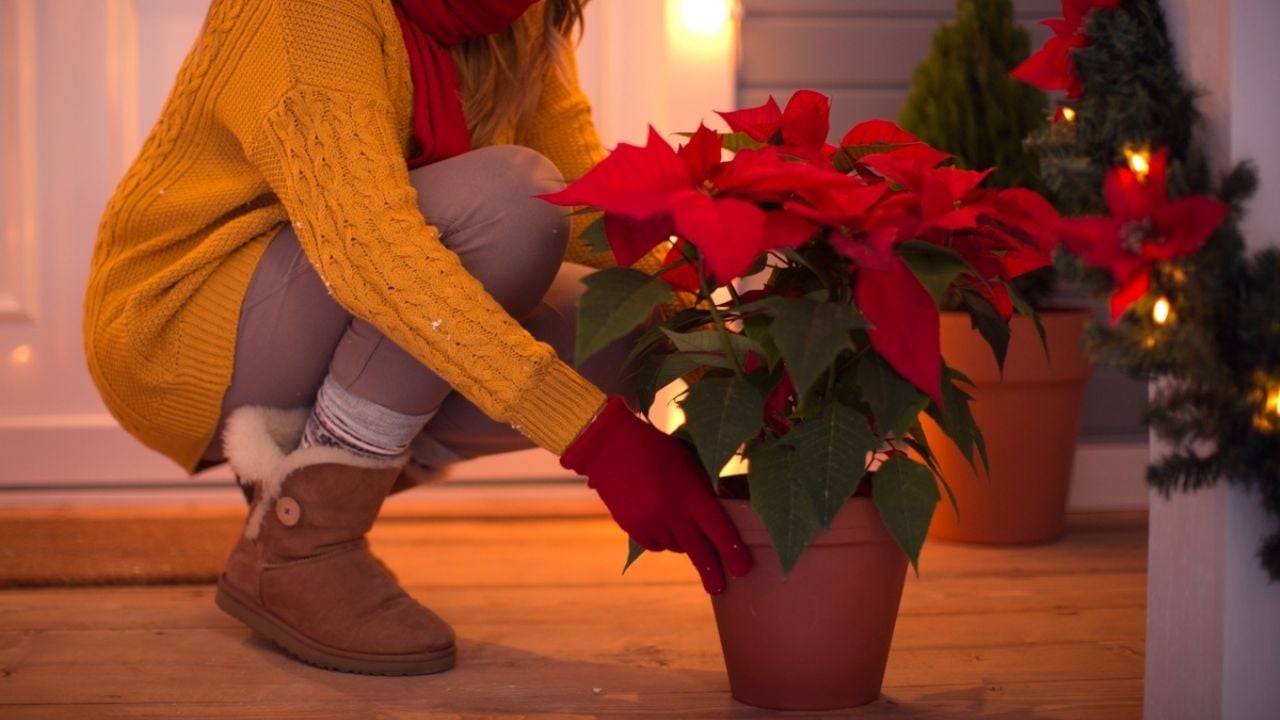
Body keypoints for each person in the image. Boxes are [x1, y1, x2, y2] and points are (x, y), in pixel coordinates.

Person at [84, 0, 752, 677]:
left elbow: (588, 205)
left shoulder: (514, 12)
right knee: (510, 206)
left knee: (631, 325)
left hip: (332, 296)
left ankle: (308, 483)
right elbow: (372, 254)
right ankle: (303, 544)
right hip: (184, 321)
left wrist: (718, 344)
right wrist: (597, 439)